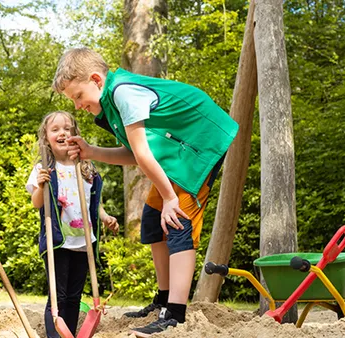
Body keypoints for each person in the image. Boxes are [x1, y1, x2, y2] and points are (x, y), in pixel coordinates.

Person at [51, 48, 239, 336]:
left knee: (177, 221)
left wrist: (170, 197)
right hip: (178, 152)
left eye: (77, 96)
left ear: (96, 80)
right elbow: (133, 153)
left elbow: (142, 154)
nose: (77, 106)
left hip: (200, 144)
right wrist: (92, 152)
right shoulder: (112, 104)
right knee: (153, 219)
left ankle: (174, 314)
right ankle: (163, 300)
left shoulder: (124, 95)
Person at [26, 111, 119, 338]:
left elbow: (92, 203)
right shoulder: (44, 169)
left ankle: (70, 333)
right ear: (46, 137)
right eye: (55, 129)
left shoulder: (86, 169)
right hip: (59, 241)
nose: (62, 133)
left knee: (75, 295)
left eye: (67, 129)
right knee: (58, 296)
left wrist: (105, 217)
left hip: (83, 241)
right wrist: (40, 186)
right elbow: (37, 203)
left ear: (75, 134)